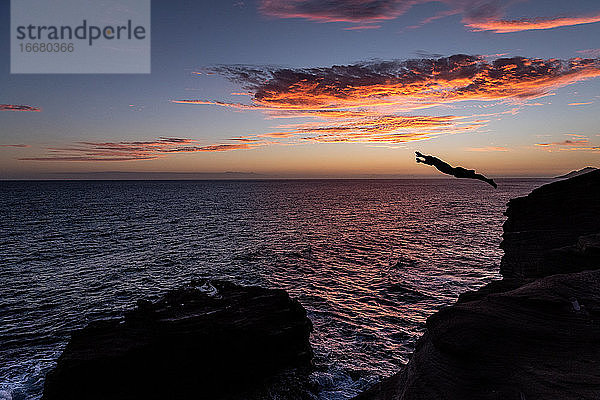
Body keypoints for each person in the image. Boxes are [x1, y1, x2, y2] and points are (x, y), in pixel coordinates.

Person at [415, 151, 497, 188]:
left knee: (475, 176)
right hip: (457, 171)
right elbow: (430, 162)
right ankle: (488, 180)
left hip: (457, 172)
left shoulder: (437, 163)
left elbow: (430, 160)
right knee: (475, 176)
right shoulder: (437, 164)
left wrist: (422, 156)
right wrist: (421, 160)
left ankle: (488, 180)